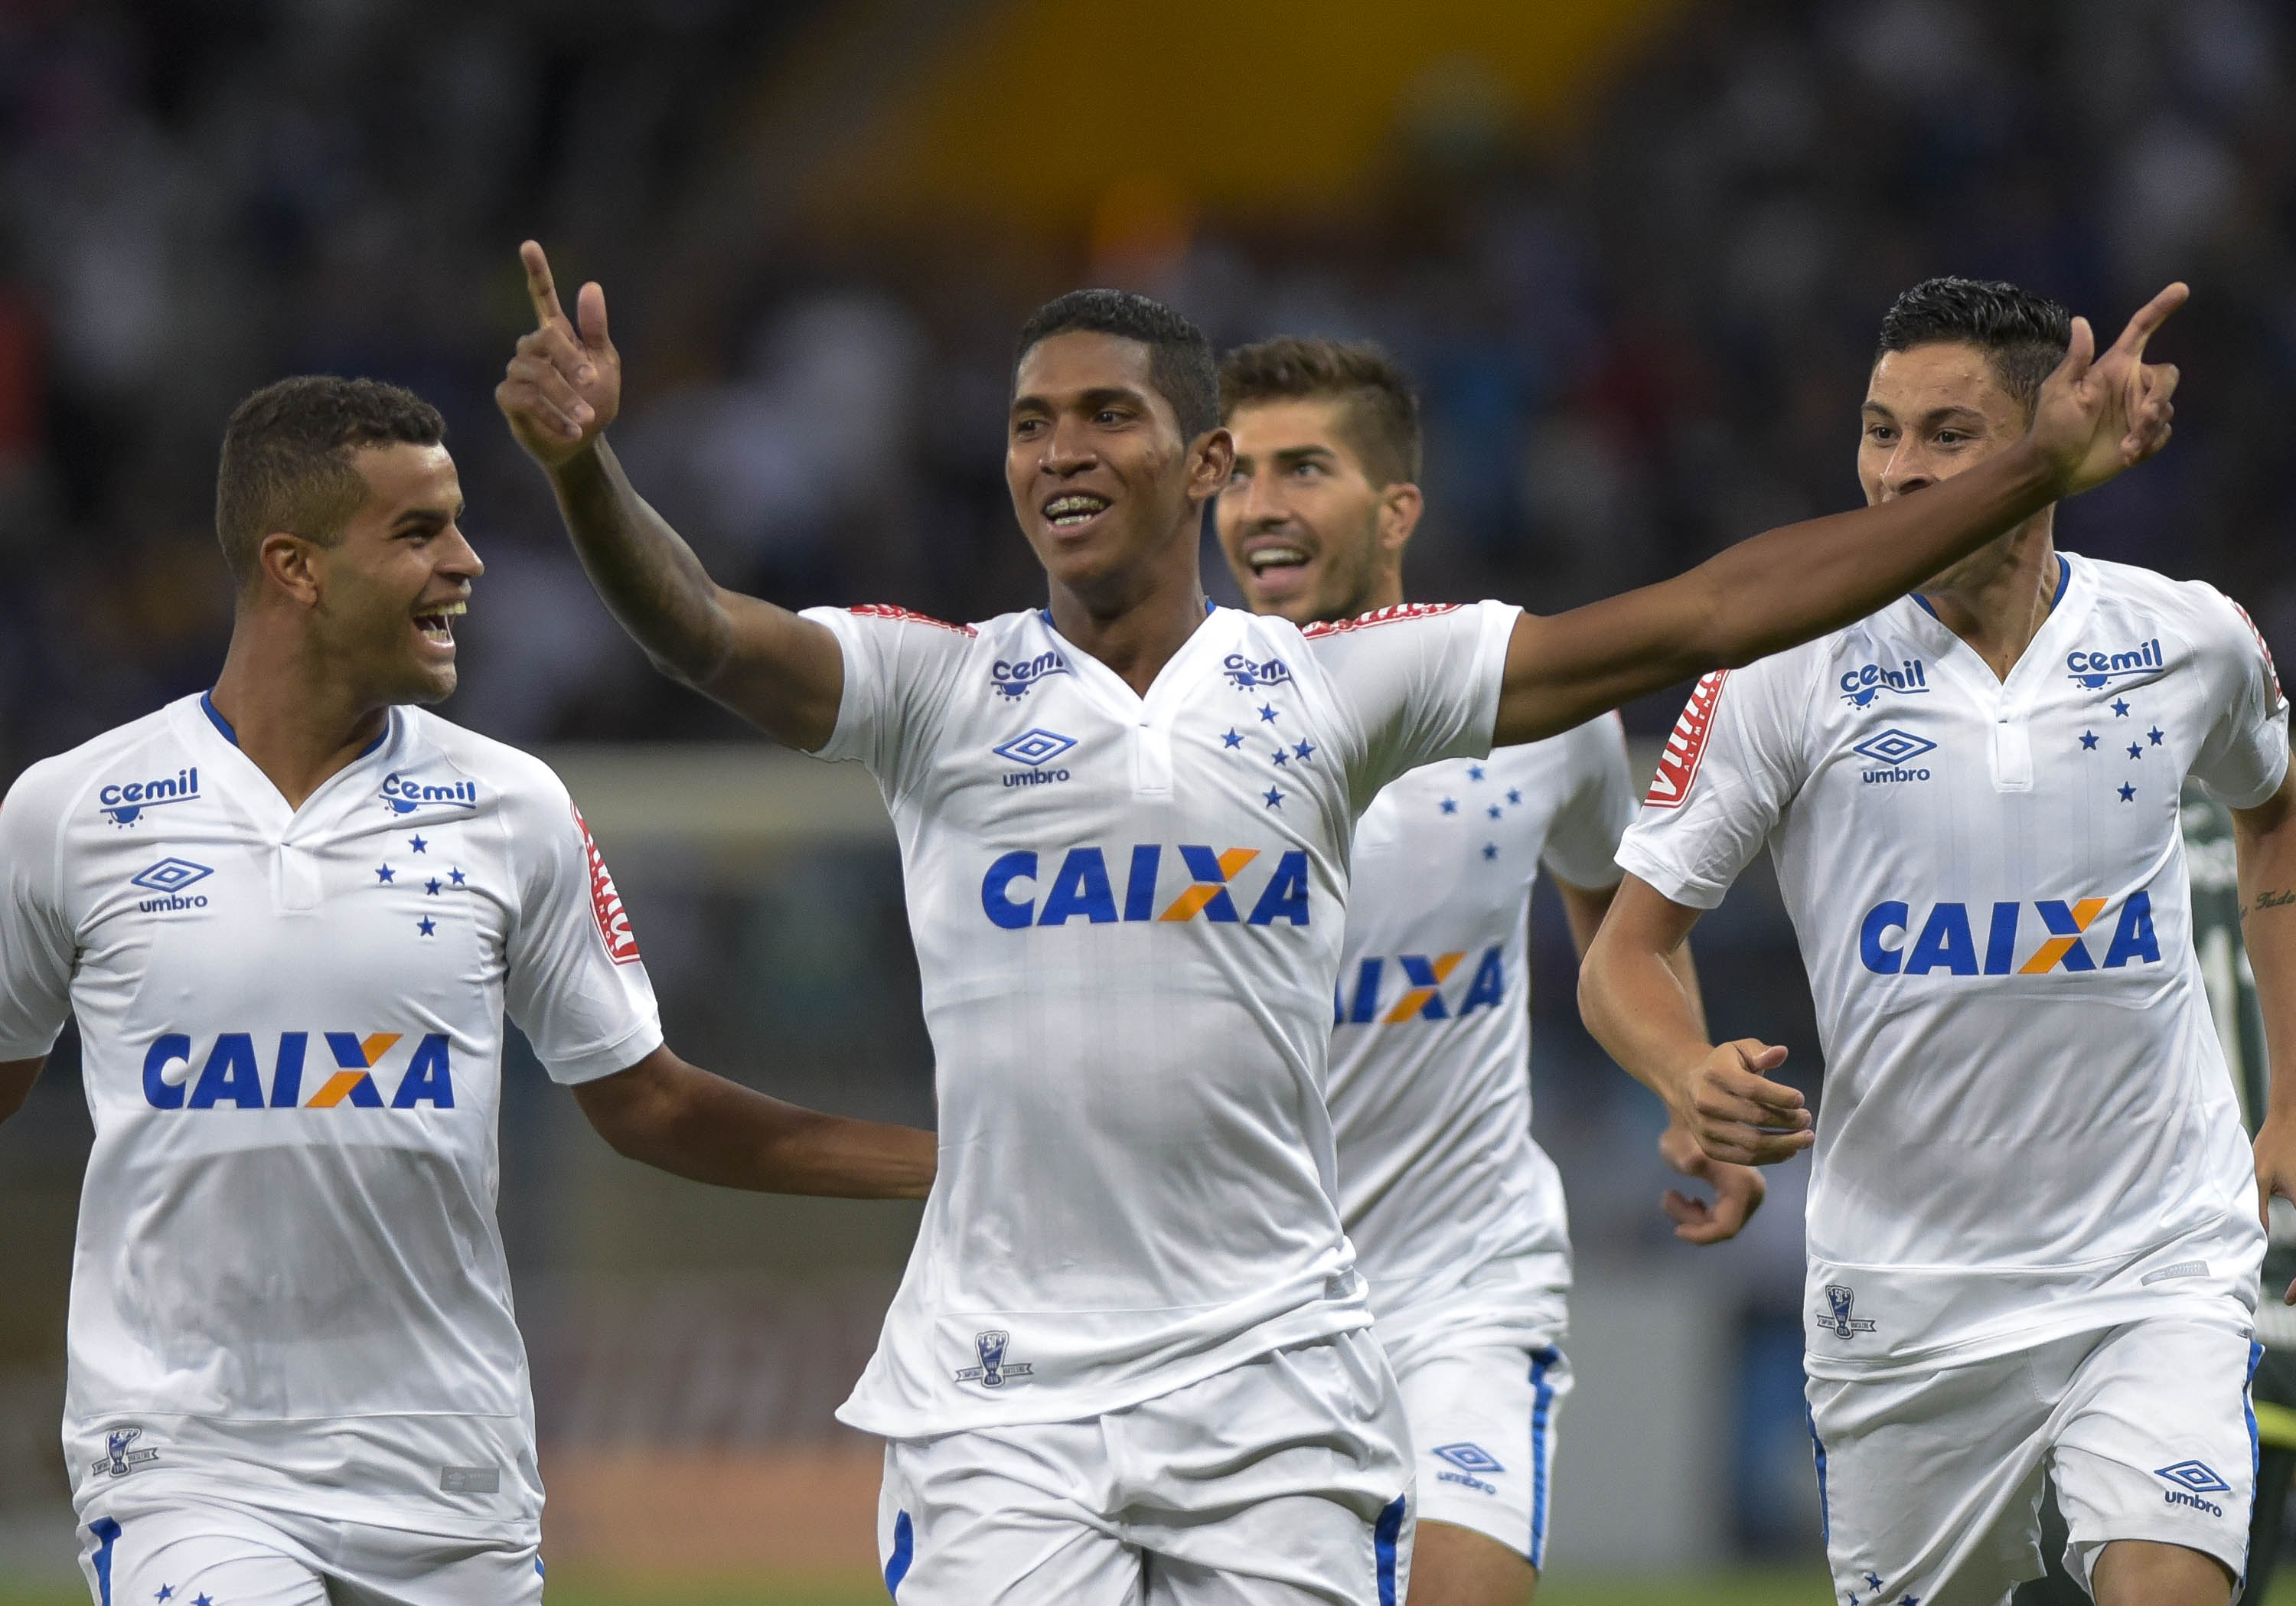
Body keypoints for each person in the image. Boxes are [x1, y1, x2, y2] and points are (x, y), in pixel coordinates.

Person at [495, 237, 2180, 1604]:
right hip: (1000, 1396)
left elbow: (1709, 612)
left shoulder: (1333, 688)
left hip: (1279, 1384)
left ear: (1198, 463)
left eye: (1105, 415)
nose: (1060, 449)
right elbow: (704, 628)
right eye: (1028, 423)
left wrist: (2036, 469)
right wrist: (586, 473)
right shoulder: (935, 688)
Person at [0, 376, 937, 1606]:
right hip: (188, 1462)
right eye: (418, 531)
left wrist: (957, 1161)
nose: (467, 561)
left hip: (450, 1475)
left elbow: (649, 1102)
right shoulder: (73, 812)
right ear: (295, 567)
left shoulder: (511, 807)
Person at [1579, 277, 2296, 1606]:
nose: (1899, 471)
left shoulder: (2185, 637)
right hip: (1907, 1294)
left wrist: (2291, 1095)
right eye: (1880, 430)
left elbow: (2276, 817)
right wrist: (1685, 1070)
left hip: (2156, 1256)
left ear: (2046, 447)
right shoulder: (1784, 667)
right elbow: (1624, 951)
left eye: (1948, 436)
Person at [1214, 335, 1760, 1605]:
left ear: (1397, 507)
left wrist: (1684, 1077)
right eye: (1236, 473)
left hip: (1463, 1280)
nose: (1262, 505)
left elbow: (1619, 914)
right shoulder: (1166, 734)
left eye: (1305, 468)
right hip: (1236, 1306)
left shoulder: (1540, 719)